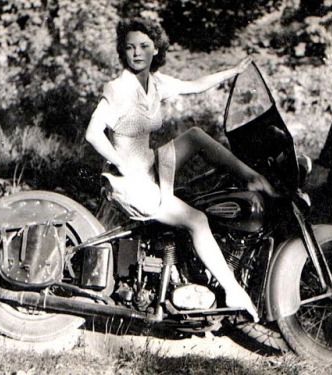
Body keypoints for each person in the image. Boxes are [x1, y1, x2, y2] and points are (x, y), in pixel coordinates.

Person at [86, 17, 275, 322]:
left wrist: (234, 71)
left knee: (197, 136)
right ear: (123, 51)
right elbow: (93, 133)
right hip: (129, 183)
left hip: (149, 167)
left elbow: (196, 85)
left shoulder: (156, 84)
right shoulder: (118, 88)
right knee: (197, 219)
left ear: (155, 49)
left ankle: (251, 177)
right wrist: (120, 163)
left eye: (144, 46)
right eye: (130, 47)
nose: (137, 53)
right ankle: (232, 290)